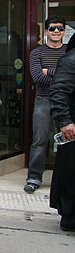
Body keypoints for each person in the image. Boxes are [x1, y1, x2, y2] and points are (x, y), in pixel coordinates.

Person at [26, 15, 67, 193]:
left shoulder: (70, 52)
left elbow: (71, 77)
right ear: (46, 31)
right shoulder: (37, 53)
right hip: (43, 100)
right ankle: (34, 178)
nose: (56, 31)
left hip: (65, 101)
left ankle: (66, 181)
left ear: (64, 31)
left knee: (68, 141)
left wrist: (49, 71)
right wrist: (61, 75)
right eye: (52, 28)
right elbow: (38, 78)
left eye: (59, 28)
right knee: (40, 141)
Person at [49, 33, 75, 231]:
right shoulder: (71, 60)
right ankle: (70, 218)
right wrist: (65, 121)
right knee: (71, 175)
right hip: (72, 126)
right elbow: (58, 91)